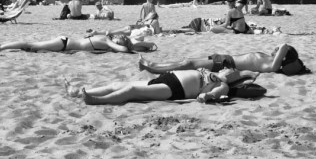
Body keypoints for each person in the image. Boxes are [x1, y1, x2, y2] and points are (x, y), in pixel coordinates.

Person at [65, 68, 233, 105]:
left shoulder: (223, 84)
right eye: (226, 68)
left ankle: (96, 100)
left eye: (230, 71)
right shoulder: (209, 72)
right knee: (117, 84)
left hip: (174, 90)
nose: (226, 69)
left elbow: (213, 94)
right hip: (166, 78)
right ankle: (77, 93)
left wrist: (207, 96)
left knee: (131, 91)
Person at [138, 43, 309, 75]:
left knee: (187, 64)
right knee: (187, 61)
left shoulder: (271, 65)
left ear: (282, 57)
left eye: (277, 50)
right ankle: (154, 65)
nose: (275, 48)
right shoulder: (269, 60)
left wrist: (285, 50)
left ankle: (151, 67)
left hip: (225, 64)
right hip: (224, 59)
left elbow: (284, 45)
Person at [0, 29, 156, 53]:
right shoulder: (107, 40)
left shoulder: (106, 41)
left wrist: (142, 45)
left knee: (31, 48)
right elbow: (124, 50)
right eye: (120, 41)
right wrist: (131, 46)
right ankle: (1, 46)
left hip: (65, 44)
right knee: (30, 45)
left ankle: (3, 46)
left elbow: (149, 45)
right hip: (64, 44)